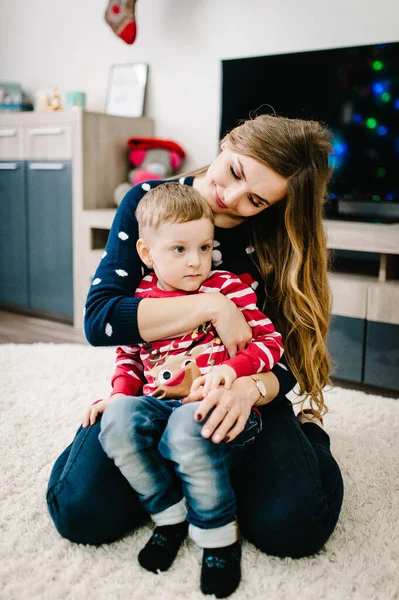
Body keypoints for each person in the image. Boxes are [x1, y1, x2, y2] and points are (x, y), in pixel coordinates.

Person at [47, 114, 344, 579]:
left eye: (256, 199)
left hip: (244, 390)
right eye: (236, 172)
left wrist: (248, 390)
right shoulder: (150, 204)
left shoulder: (273, 234)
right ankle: (188, 480)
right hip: (158, 394)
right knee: (80, 512)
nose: (230, 196)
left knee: (294, 526)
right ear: (227, 142)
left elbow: (286, 351)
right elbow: (102, 321)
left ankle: (308, 437)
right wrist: (212, 308)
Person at [81, 183, 284, 598]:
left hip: (212, 409)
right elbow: (129, 358)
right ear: (146, 254)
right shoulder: (140, 300)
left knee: (185, 429)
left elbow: (270, 344)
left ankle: (217, 538)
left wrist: (233, 369)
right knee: (116, 422)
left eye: (205, 247)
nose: (196, 262)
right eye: (179, 250)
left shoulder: (227, 287)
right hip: (159, 403)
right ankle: (169, 514)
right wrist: (120, 394)